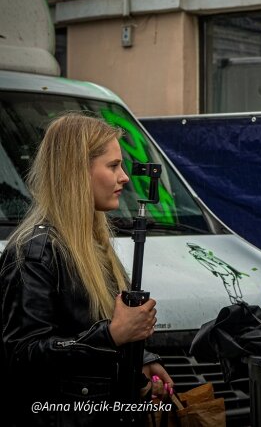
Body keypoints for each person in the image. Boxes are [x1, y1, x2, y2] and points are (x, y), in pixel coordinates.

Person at [0, 113, 174, 426]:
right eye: (113, 166)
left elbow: (93, 325)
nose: (124, 177)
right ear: (77, 171)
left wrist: (140, 362)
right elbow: (21, 355)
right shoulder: (34, 252)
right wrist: (112, 336)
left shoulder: (94, 246)